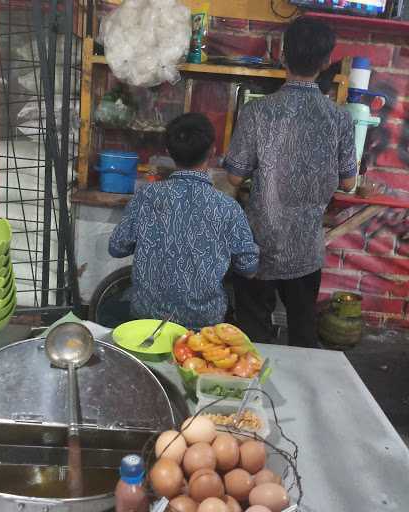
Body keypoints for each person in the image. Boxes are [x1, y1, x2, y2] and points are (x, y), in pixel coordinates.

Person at [223, 17, 357, 348]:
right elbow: (350, 182)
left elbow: (234, 177)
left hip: (259, 244)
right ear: (326, 61)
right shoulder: (340, 118)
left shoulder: (258, 112)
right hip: (306, 250)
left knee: (253, 335)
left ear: (283, 57)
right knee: (302, 331)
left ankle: (254, 393)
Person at [109, 113, 259, 330]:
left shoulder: (147, 196)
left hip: (147, 323)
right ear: (212, 151)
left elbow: (116, 247)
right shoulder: (227, 207)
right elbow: (249, 267)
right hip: (201, 329)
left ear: (169, 152)